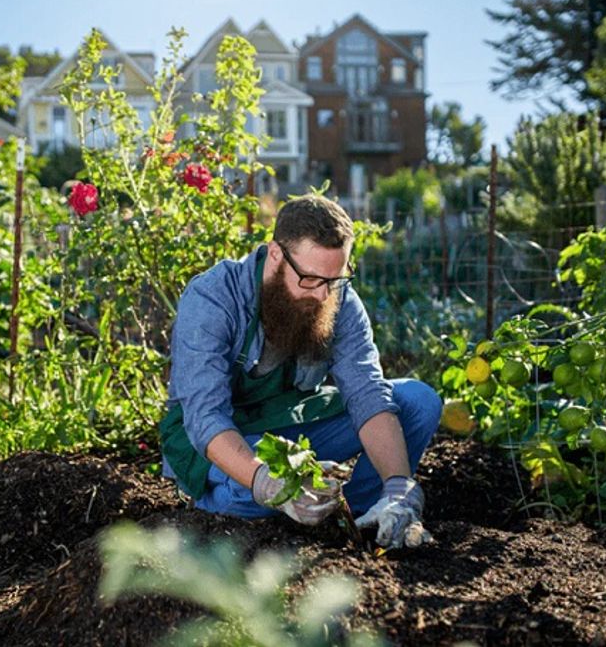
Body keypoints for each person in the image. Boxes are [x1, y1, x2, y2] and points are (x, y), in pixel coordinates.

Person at [159, 194, 442, 548]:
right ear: (276, 254)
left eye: (335, 279)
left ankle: (362, 515)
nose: (324, 295)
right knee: (254, 493)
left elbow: (367, 392)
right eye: (310, 279)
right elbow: (205, 417)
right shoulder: (213, 298)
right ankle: (215, 507)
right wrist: (267, 483)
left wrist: (400, 487)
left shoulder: (337, 298)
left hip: (290, 425)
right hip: (219, 438)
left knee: (418, 401)